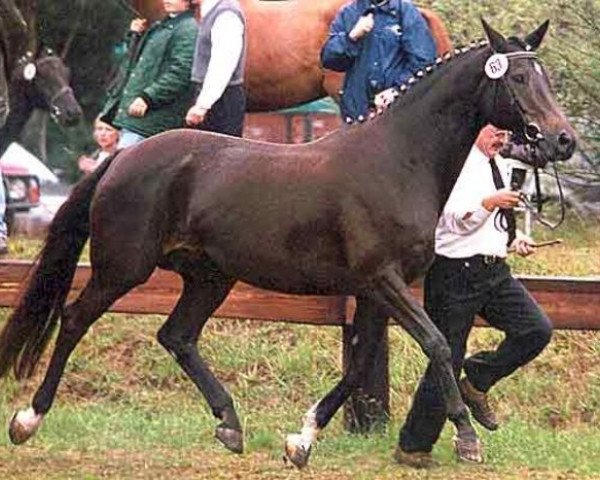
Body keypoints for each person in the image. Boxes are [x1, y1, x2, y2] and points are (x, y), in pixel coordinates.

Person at [395, 125, 553, 468]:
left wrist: (514, 238)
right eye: (495, 132)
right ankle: (413, 446)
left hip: (494, 271)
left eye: (505, 134)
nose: (501, 139)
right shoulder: (454, 162)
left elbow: (497, 221)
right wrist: (488, 204)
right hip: (454, 272)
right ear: (478, 128)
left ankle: (477, 380)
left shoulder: (501, 164)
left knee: (536, 330)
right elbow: (451, 221)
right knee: (445, 359)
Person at [100, 0, 198, 149]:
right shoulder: (162, 26)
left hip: (150, 122)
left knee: (127, 170)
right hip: (139, 120)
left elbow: (181, 72)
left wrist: (148, 98)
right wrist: (134, 36)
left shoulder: (188, 29)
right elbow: (135, 65)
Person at [320, 0, 437, 123]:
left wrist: (397, 90)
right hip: (358, 114)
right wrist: (351, 37)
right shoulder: (348, 13)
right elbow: (329, 60)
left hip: (397, 112)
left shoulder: (406, 12)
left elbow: (425, 61)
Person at [185, 0, 247, 137]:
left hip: (222, 101)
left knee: (223, 154)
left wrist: (203, 105)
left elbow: (223, 63)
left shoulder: (226, 14)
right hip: (215, 99)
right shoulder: (211, 11)